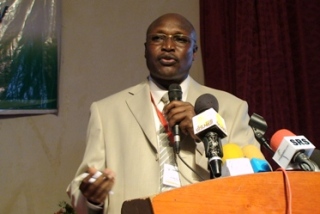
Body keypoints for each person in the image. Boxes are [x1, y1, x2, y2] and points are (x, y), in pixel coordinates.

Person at [67, 13, 260, 214]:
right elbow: (82, 186)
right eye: (158, 38)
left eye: (180, 39)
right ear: (145, 50)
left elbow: (251, 184)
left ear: (194, 51)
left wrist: (201, 134)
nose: (168, 46)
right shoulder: (106, 111)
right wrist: (92, 198)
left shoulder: (233, 108)